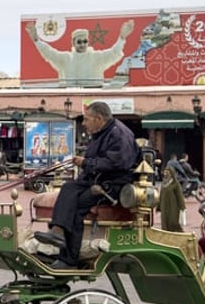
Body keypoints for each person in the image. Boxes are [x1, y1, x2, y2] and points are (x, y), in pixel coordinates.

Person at [34, 101, 140, 268]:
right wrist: (84, 166)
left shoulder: (119, 134)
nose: (83, 123)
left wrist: (85, 162)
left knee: (78, 204)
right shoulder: (103, 132)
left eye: (86, 119)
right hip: (97, 179)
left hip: (113, 185)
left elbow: (117, 164)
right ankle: (58, 231)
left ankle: (69, 258)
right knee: (69, 188)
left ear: (98, 118)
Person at [26, 20, 134, 86]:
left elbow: (114, 53)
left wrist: (122, 37)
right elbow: (48, 52)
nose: (82, 44)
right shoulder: (65, 59)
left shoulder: (96, 57)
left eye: (85, 41)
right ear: (73, 42)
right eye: (79, 41)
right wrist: (36, 40)